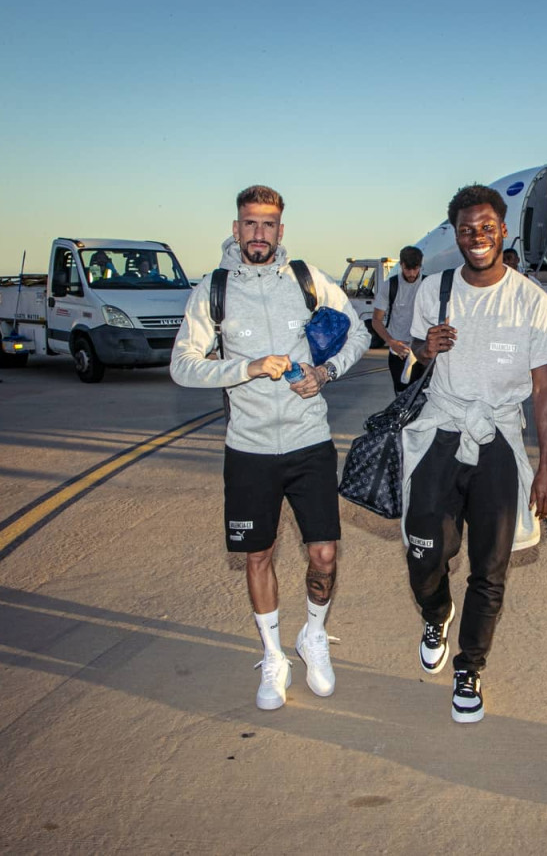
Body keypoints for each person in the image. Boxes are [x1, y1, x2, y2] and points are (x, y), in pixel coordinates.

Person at [170, 185, 371, 711]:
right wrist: (248, 367)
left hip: (310, 442)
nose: (258, 233)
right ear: (236, 229)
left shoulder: (307, 279)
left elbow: (359, 334)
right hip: (249, 449)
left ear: (281, 230)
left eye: (268, 224)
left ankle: (313, 635)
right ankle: (273, 656)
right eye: (250, 223)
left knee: (324, 555)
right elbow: (183, 365)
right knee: (257, 555)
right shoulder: (213, 290)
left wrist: (326, 372)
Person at [401, 184, 547, 723]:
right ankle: (436, 612)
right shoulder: (435, 289)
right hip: (441, 433)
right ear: (456, 234)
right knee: (425, 551)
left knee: (490, 568)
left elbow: (544, 390)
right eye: (467, 229)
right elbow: (414, 355)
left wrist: (546, 466)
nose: (477, 237)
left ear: (503, 231)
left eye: (487, 227)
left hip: (497, 439)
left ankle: (469, 667)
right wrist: (425, 348)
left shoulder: (531, 301)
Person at [371, 246, 426, 394]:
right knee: (402, 396)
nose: (412, 274)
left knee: (423, 398)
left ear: (421, 266)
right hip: (399, 351)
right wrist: (391, 342)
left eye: (416, 269)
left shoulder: (429, 285)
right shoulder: (390, 285)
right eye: (408, 269)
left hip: (423, 350)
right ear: (401, 265)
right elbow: (376, 320)